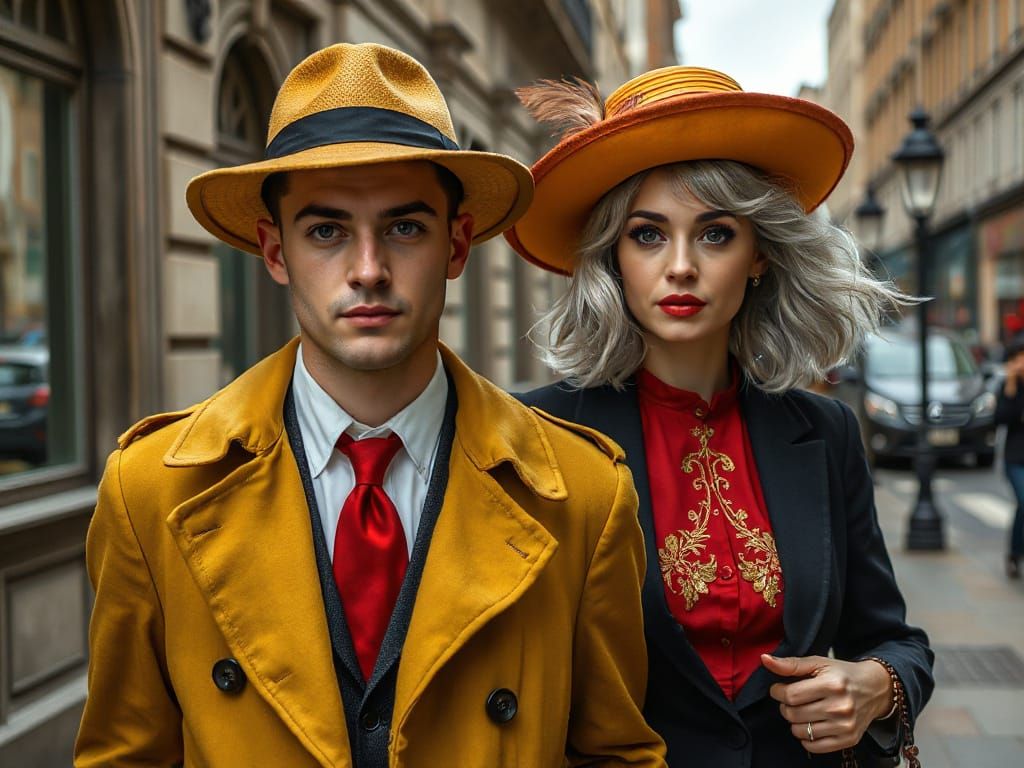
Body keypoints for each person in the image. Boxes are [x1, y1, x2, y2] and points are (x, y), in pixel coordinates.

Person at [75, 43, 666, 768]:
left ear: (455, 245)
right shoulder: (151, 492)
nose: (367, 271)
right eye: (326, 231)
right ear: (275, 250)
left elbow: (618, 755)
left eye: (404, 228)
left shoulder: (582, 496)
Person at [508, 66, 933, 767]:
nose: (680, 266)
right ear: (613, 257)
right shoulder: (538, 436)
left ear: (759, 254)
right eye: (647, 235)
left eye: (714, 234)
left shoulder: (823, 436)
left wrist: (877, 685)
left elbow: (895, 639)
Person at [995, 334, 1024, 579]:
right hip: (1015, 457)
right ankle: (1015, 553)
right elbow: (1002, 418)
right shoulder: (1008, 387)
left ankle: (1016, 552)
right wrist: (1011, 385)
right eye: (1018, 357)